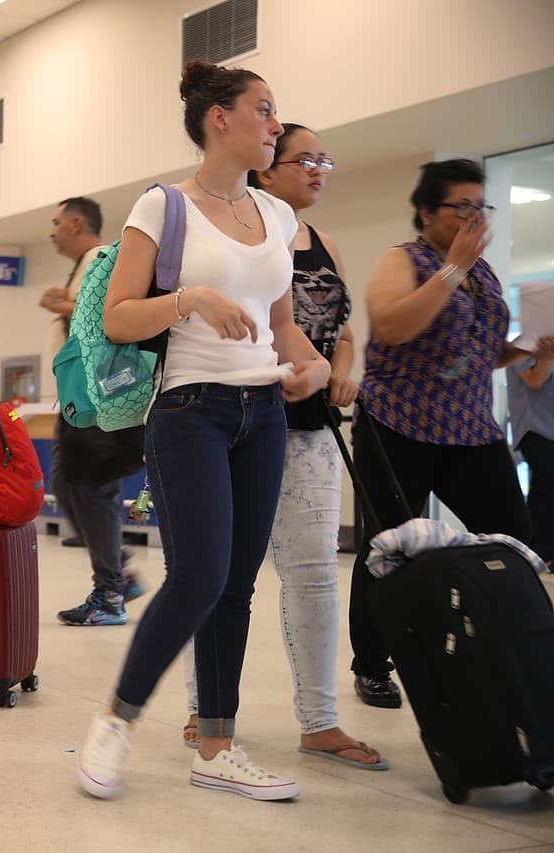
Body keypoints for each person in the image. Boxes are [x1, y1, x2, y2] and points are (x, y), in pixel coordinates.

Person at [75, 61, 331, 803]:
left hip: (264, 415)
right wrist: (190, 299)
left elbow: (285, 329)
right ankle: (115, 719)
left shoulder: (278, 217)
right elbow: (119, 314)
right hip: (190, 411)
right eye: (265, 110)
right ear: (219, 118)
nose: (276, 126)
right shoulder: (162, 206)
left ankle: (216, 746)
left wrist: (311, 369)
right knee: (199, 575)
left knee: (236, 586)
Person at [171, 124, 386, 769]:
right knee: (210, 574)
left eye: (325, 159)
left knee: (317, 573)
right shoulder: (231, 232)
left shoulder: (325, 244)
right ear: (267, 171)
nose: (318, 169)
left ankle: (320, 721)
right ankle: (202, 706)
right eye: (304, 159)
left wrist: (338, 367)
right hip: (226, 418)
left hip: (311, 427)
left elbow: (338, 329)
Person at [349, 158, 545, 707]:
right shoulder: (404, 260)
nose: (473, 216)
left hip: (469, 429)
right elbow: (392, 325)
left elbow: (480, 351)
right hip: (398, 425)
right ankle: (372, 664)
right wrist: (452, 268)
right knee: (385, 550)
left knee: (513, 540)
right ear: (426, 212)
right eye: (461, 206)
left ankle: (519, 648)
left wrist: (530, 347)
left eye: (479, 206)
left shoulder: (482, 272)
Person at [40, 196, 148, 626]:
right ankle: (117, 570)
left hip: (96, 400)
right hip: (79, 400)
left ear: (76, 224)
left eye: (55, 222)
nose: (50, 230)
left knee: (90, 488)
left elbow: (102, 318)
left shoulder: (102, 258)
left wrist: (59, 305)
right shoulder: (88, 262)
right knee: (67, 485)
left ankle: (110, 593)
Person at [508, 346, 554, 567]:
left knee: (542, 493)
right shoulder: (524, 344)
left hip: (550, 429)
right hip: (534, 428)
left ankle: (536, 553)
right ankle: (544, 554)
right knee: (548, 488)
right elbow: (535, 379)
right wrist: (547, 356)